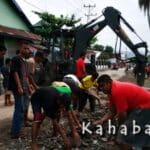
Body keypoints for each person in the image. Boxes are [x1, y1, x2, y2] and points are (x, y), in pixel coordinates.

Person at [94, 74, 150, 150]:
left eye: (102, 86)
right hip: (140, 106)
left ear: (108, 83)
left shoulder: (117, 91)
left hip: (145, 107)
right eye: (99, 87)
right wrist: (102, 120)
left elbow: (122, 114)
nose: (101, 89)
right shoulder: (111, 91)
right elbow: (112, 111)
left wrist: (121, 128)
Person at [30, 84, 81, 150]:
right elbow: (55, 121)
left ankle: (54, 133)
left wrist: (74, 132)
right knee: (37, 119)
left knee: (57, 114)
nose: (63, 109)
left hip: (46, 96)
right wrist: (65, 139)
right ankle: (33, 144)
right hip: (37, 99)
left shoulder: (66, 99)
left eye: (63, 107)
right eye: (61, 106)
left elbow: (69, 115)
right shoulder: (50, 103)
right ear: (58, 101)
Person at [9, 42, 33, 138]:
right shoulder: (16, 59)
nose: (27, 50)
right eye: (25, 48)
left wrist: (29, 86)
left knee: (23, 108)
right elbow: (15, 73)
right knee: (18, 109)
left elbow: (25, 76)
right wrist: (19, 86)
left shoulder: (25, 62)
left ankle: (18, 128)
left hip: (24, 88)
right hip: (18, 88)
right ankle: (15, 132)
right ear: (20, 48)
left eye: (28, 49)